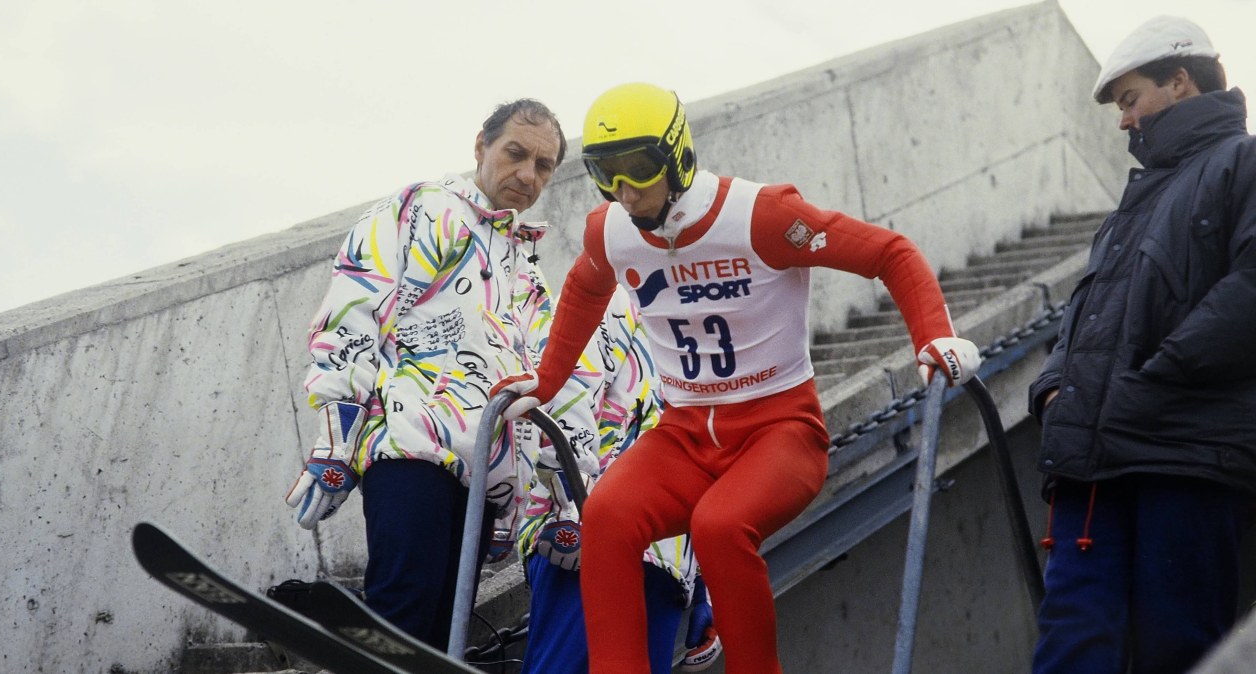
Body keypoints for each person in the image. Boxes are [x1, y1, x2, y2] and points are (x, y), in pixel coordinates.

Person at [493, 82, 982, 674]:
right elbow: (584, 289)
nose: (624, 189)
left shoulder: (764, 215)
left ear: (677, 155)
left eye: (639, 168)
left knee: (719, 525)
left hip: (780, 431)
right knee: (606, 516)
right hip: (686, 434)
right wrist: (545, 382)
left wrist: (933, 336)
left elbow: (891, 252)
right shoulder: (612, 229)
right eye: (605, 173)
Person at [284, 98, 602, 652]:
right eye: (515, 153)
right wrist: (336, 441)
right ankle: (343, 623)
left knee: (439, 638)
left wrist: (560, 503)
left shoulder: (526, 268)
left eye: (543, 165)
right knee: (405, 606)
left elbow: (557, 383)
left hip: (487, 475)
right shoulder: (420, 210)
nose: (527, 175)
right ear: (481, 146)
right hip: (411, 447)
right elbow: (353, 312)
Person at [1028, 16, 1256, 674]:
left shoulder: (1243, 163)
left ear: (1179, 83)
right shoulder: (1128, 208)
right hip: (1090, 460)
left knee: (1177, 647)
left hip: (1185, 451)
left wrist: (1158, 377)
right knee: (1071, 642)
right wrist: (1053, 387)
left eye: (1130, 100)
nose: (1123, 122)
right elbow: (1083, 318)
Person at [516, 287, 721, 674]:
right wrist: (567, 511)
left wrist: (707, 592)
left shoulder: (712, 341)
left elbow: (717, 473)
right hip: (589, 538)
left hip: (665, 564)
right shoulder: (613, 300)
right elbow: (566, 397)